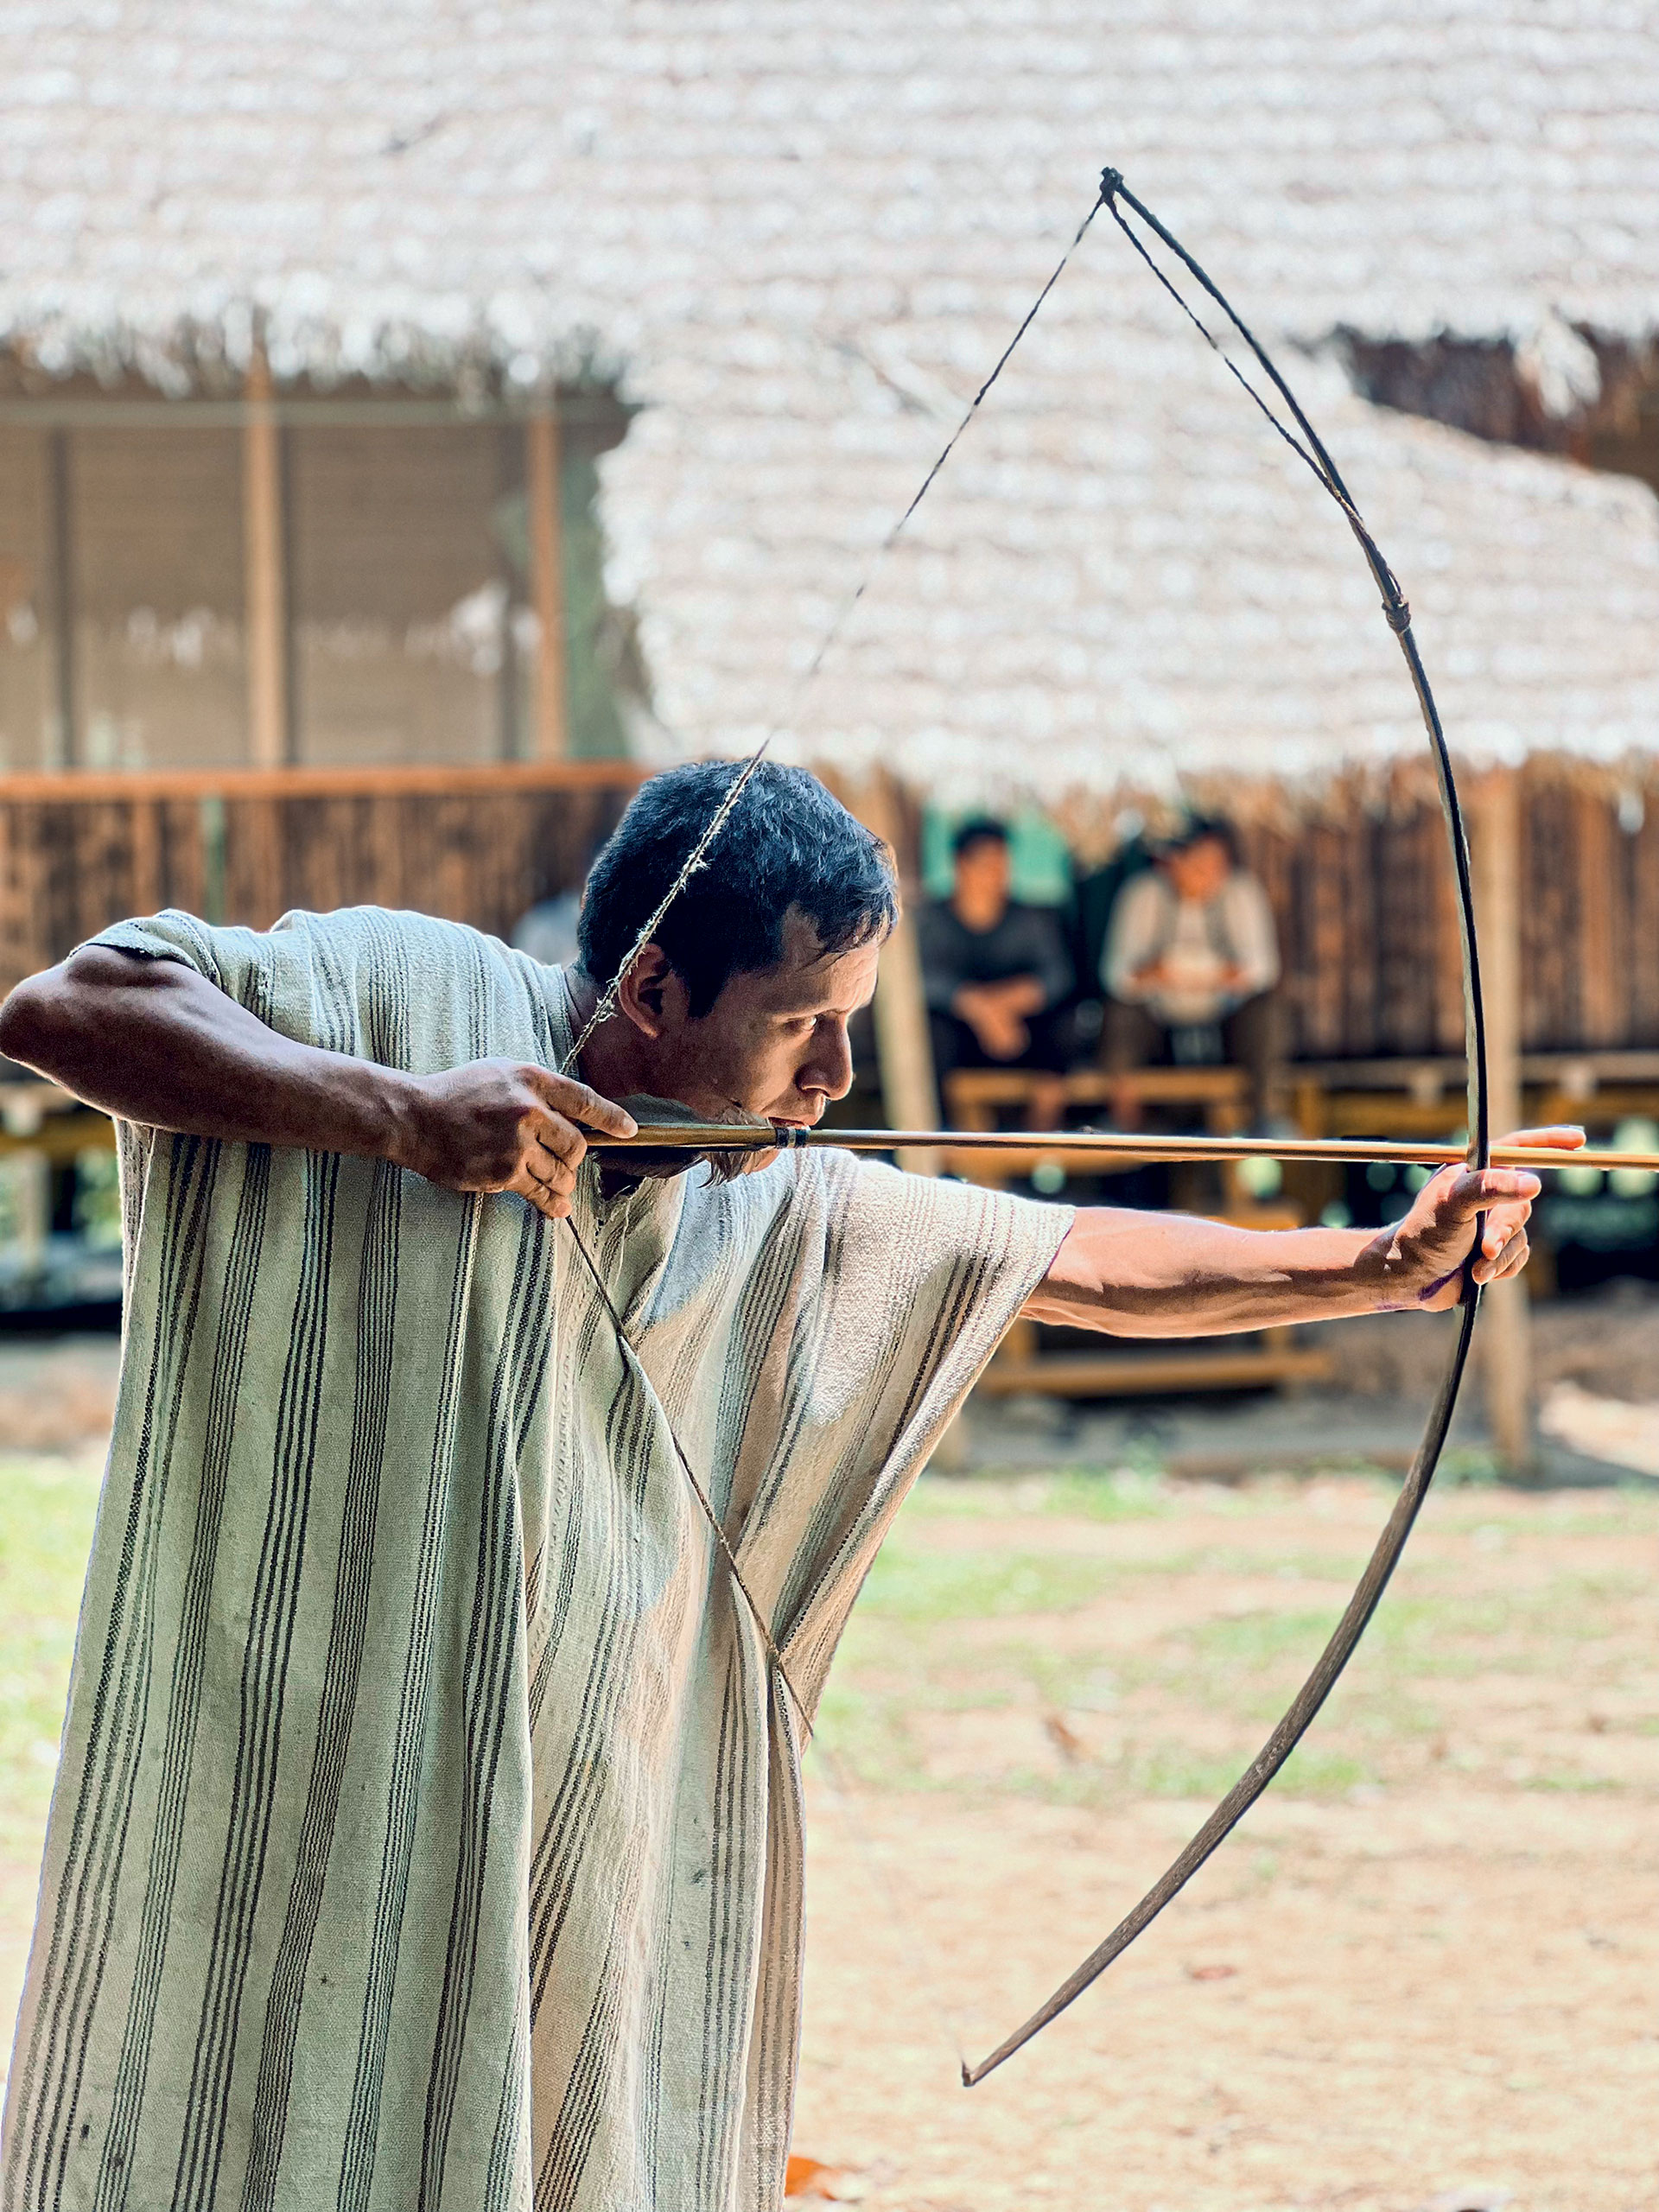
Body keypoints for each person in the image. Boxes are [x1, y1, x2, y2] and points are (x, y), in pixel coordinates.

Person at [0, 759, 1567, 2212]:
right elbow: (70, 1005)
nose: (833, 1072)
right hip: (298, 1782)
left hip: (556, 1823)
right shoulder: (421, 998)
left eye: (852, 1024)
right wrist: (402, 1117)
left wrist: (1375, 1262)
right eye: (799, 1021)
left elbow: (1071, 1264)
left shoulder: (775, 1202)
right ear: (655, 986)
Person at [1101, 815, 1283, 1129]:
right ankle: (1124, 1121)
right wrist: (1155, 972)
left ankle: (1264, 1114)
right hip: (1158, 1022)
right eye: (1200, 864)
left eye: (1217, 865)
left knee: (1266, 1014)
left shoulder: (1239, 891)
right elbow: (1115, 975)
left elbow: (1265, 968)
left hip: (1223, 1020)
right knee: (1119, 1017)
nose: (1210, 874)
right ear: (1170, 862)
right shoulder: (1144, 894)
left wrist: (1219, 975)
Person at [916, 817, 1074, 1126]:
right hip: (959, 1043)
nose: (999, 875)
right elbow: (920, 981)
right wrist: (975, 1006)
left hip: (1020, 1037)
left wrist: (1007, 1003)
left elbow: (1057, 975)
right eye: (988, 864)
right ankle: (944, 1131)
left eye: (1003, 864)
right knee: (929, 1030)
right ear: (961, 865)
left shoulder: (1030, 920)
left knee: (1065, 1023)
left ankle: (1041, 1132)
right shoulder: (931, 921)